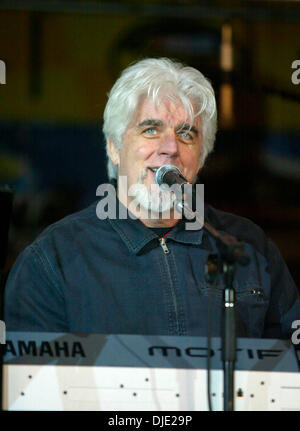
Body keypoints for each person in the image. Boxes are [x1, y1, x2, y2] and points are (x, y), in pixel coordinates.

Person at [4, 58, 300, 339]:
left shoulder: (249, 246)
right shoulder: (52, 260)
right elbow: (31, 383)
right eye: (150, 129)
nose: (170, 147)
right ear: (114, 148)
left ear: (201, 158)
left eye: (186, 134)